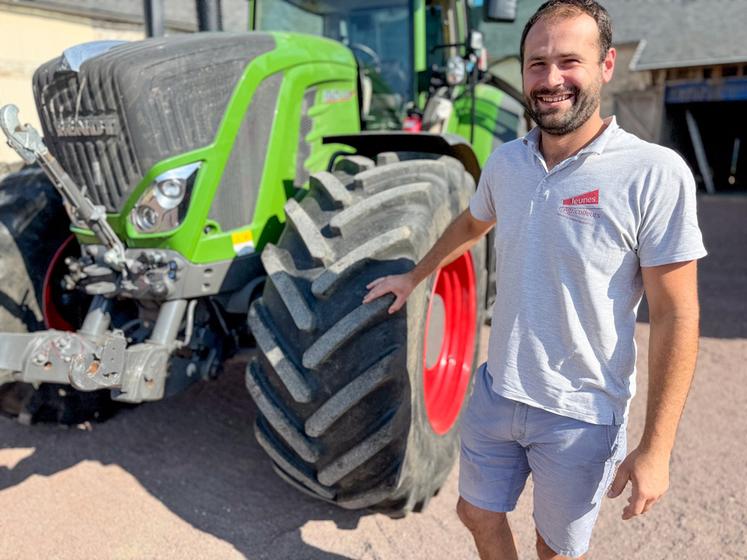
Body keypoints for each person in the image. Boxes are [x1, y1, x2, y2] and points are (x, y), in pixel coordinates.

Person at [362, 1, 707, 558]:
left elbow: (676, 314)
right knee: (474, 513)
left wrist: (656, 447)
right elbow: (473, 222)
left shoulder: (652, 173)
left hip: (581, 413)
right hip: (498, 391)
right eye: (536, 64)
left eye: (569, 61)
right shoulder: (507, 163)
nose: (550, 79)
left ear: (607, 64)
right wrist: (414, 276)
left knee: (554, 550)